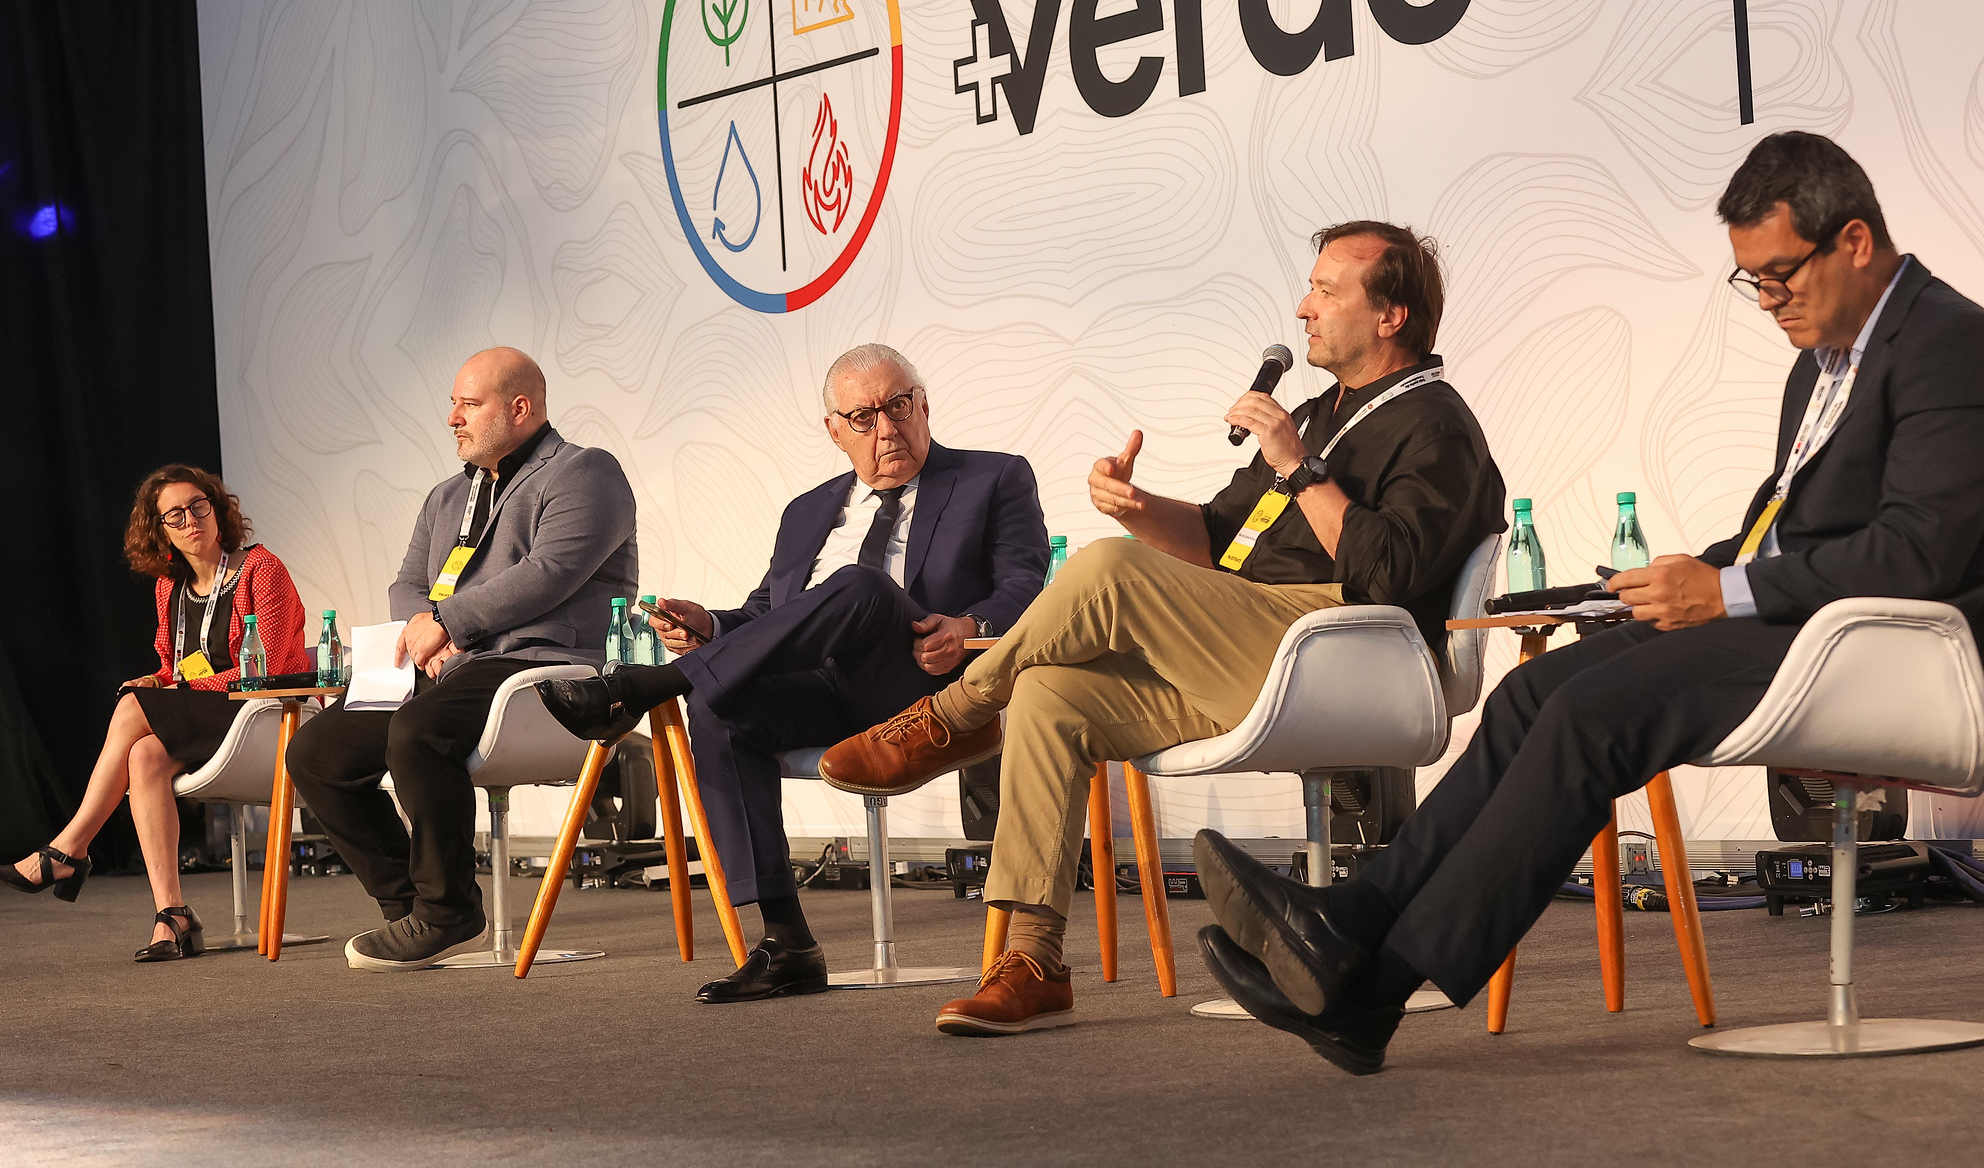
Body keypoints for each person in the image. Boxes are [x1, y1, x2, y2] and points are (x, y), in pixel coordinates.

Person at [1190, 131, 1984, 1075]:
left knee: (1591, 718)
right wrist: (1669, 581)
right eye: (1753, 282)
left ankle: (1374, 990)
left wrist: (1724, 589)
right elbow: (1790, 531)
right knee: (1533, 692)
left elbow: (1919, 555)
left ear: (1853, 241)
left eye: (1780, 275)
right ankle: (1354, 916)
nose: (1769, 301)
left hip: (1900, 646)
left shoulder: (1951, 346)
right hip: (1806, 621)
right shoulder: (1825, 359)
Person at [819, 224, 1508, 1035]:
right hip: (1251, 645)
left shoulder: (1437, 426)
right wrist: (1137, 507)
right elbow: (1219, 538)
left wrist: (1296, 464)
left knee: (1108, 568)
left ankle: (954, 712)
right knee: (1048, 692)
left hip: (1349, 652)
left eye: (1327, 291)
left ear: (1391, 316)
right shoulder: (1321, 414)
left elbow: (1388, 571)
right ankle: (1033, 959)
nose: (1303, 306)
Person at [539, 344, 1048, 1001]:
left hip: (928, 684)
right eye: (863, 417)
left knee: (861, 585)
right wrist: (712, 625)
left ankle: (648, 686)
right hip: (825, 689)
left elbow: (1026, 583)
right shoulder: (808, 510)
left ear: (924, 406)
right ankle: (786, 942)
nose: (887, 428)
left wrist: (969, 626)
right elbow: (769, 613)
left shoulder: (994, 477)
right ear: (835, 431)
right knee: (721, 707)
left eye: (898, 406)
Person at [286, 348, 637, 971]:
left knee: (418, 731)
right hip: (454, 667)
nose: (453, 418)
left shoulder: (585, 471)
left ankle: (445, 909)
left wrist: (447, 622)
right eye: (453, 404)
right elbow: (407, 584)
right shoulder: (447, 495)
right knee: (318, 752)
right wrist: (429, 628)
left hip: (540, 666)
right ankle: (411, 906)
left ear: (520, 408)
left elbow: (549, 573)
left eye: (469, 404)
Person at [4, 465, 310, 961]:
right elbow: (174, 668)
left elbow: (270, 668)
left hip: (261, 714)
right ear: (161, 530)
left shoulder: (261, 568)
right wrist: (156, 681)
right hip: (203, 717)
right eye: (175, 515)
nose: (190, 520)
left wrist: (178, 687)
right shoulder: (170, 587)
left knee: (130, 708)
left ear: (217, 510)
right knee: (143, 755)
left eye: (198, 506)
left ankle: (69, 847)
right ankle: (172, 914)